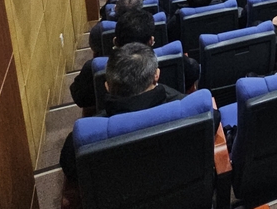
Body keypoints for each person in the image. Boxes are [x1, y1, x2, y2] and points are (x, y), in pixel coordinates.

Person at [60, 43, 186, 182]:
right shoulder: (186, 108)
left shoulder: (79, 140)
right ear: (156, 75)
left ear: (107, 86)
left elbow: (72, 172)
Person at [72, 0, 145, 108]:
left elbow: (80, 98)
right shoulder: (154, 60)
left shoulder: (93, 66)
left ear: (115, 41)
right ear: (151, 40)